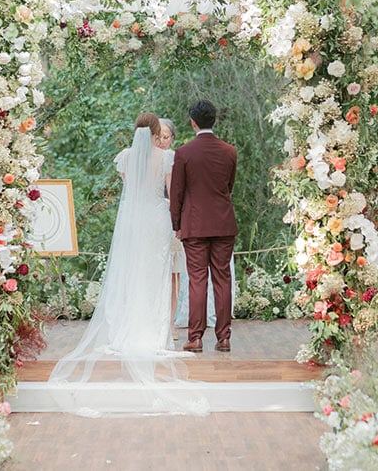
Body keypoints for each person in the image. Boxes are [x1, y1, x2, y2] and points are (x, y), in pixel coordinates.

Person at [48, 113, 207, 416]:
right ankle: (156, 330)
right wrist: (176, 225)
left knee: (133, 273)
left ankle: (130, 327)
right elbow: (171, 195)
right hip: (157, 218)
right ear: (155, 132)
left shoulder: (125, 157)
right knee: (155, 276)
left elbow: (129, 189)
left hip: (133, 219)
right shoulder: (167, 158)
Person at [170, 99, 238, 353]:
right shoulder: (229, 151)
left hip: (195, 224)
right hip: (223, 223)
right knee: (223, 279)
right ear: (214, 120)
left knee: (197, 280)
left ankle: (195, 337)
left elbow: (177, 192)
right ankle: (224, 338)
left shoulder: (184, 153)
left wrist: (176, 223)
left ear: (193, 121)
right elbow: (229, 187)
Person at [155, 117, 184, 341]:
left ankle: (171, 322)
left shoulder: (176, 158)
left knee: (174, 275)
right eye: (158, 137)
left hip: (174, 220)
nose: (162, 141)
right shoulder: (146, 160)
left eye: (166, 137)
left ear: (172, 138)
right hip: (152, 221)